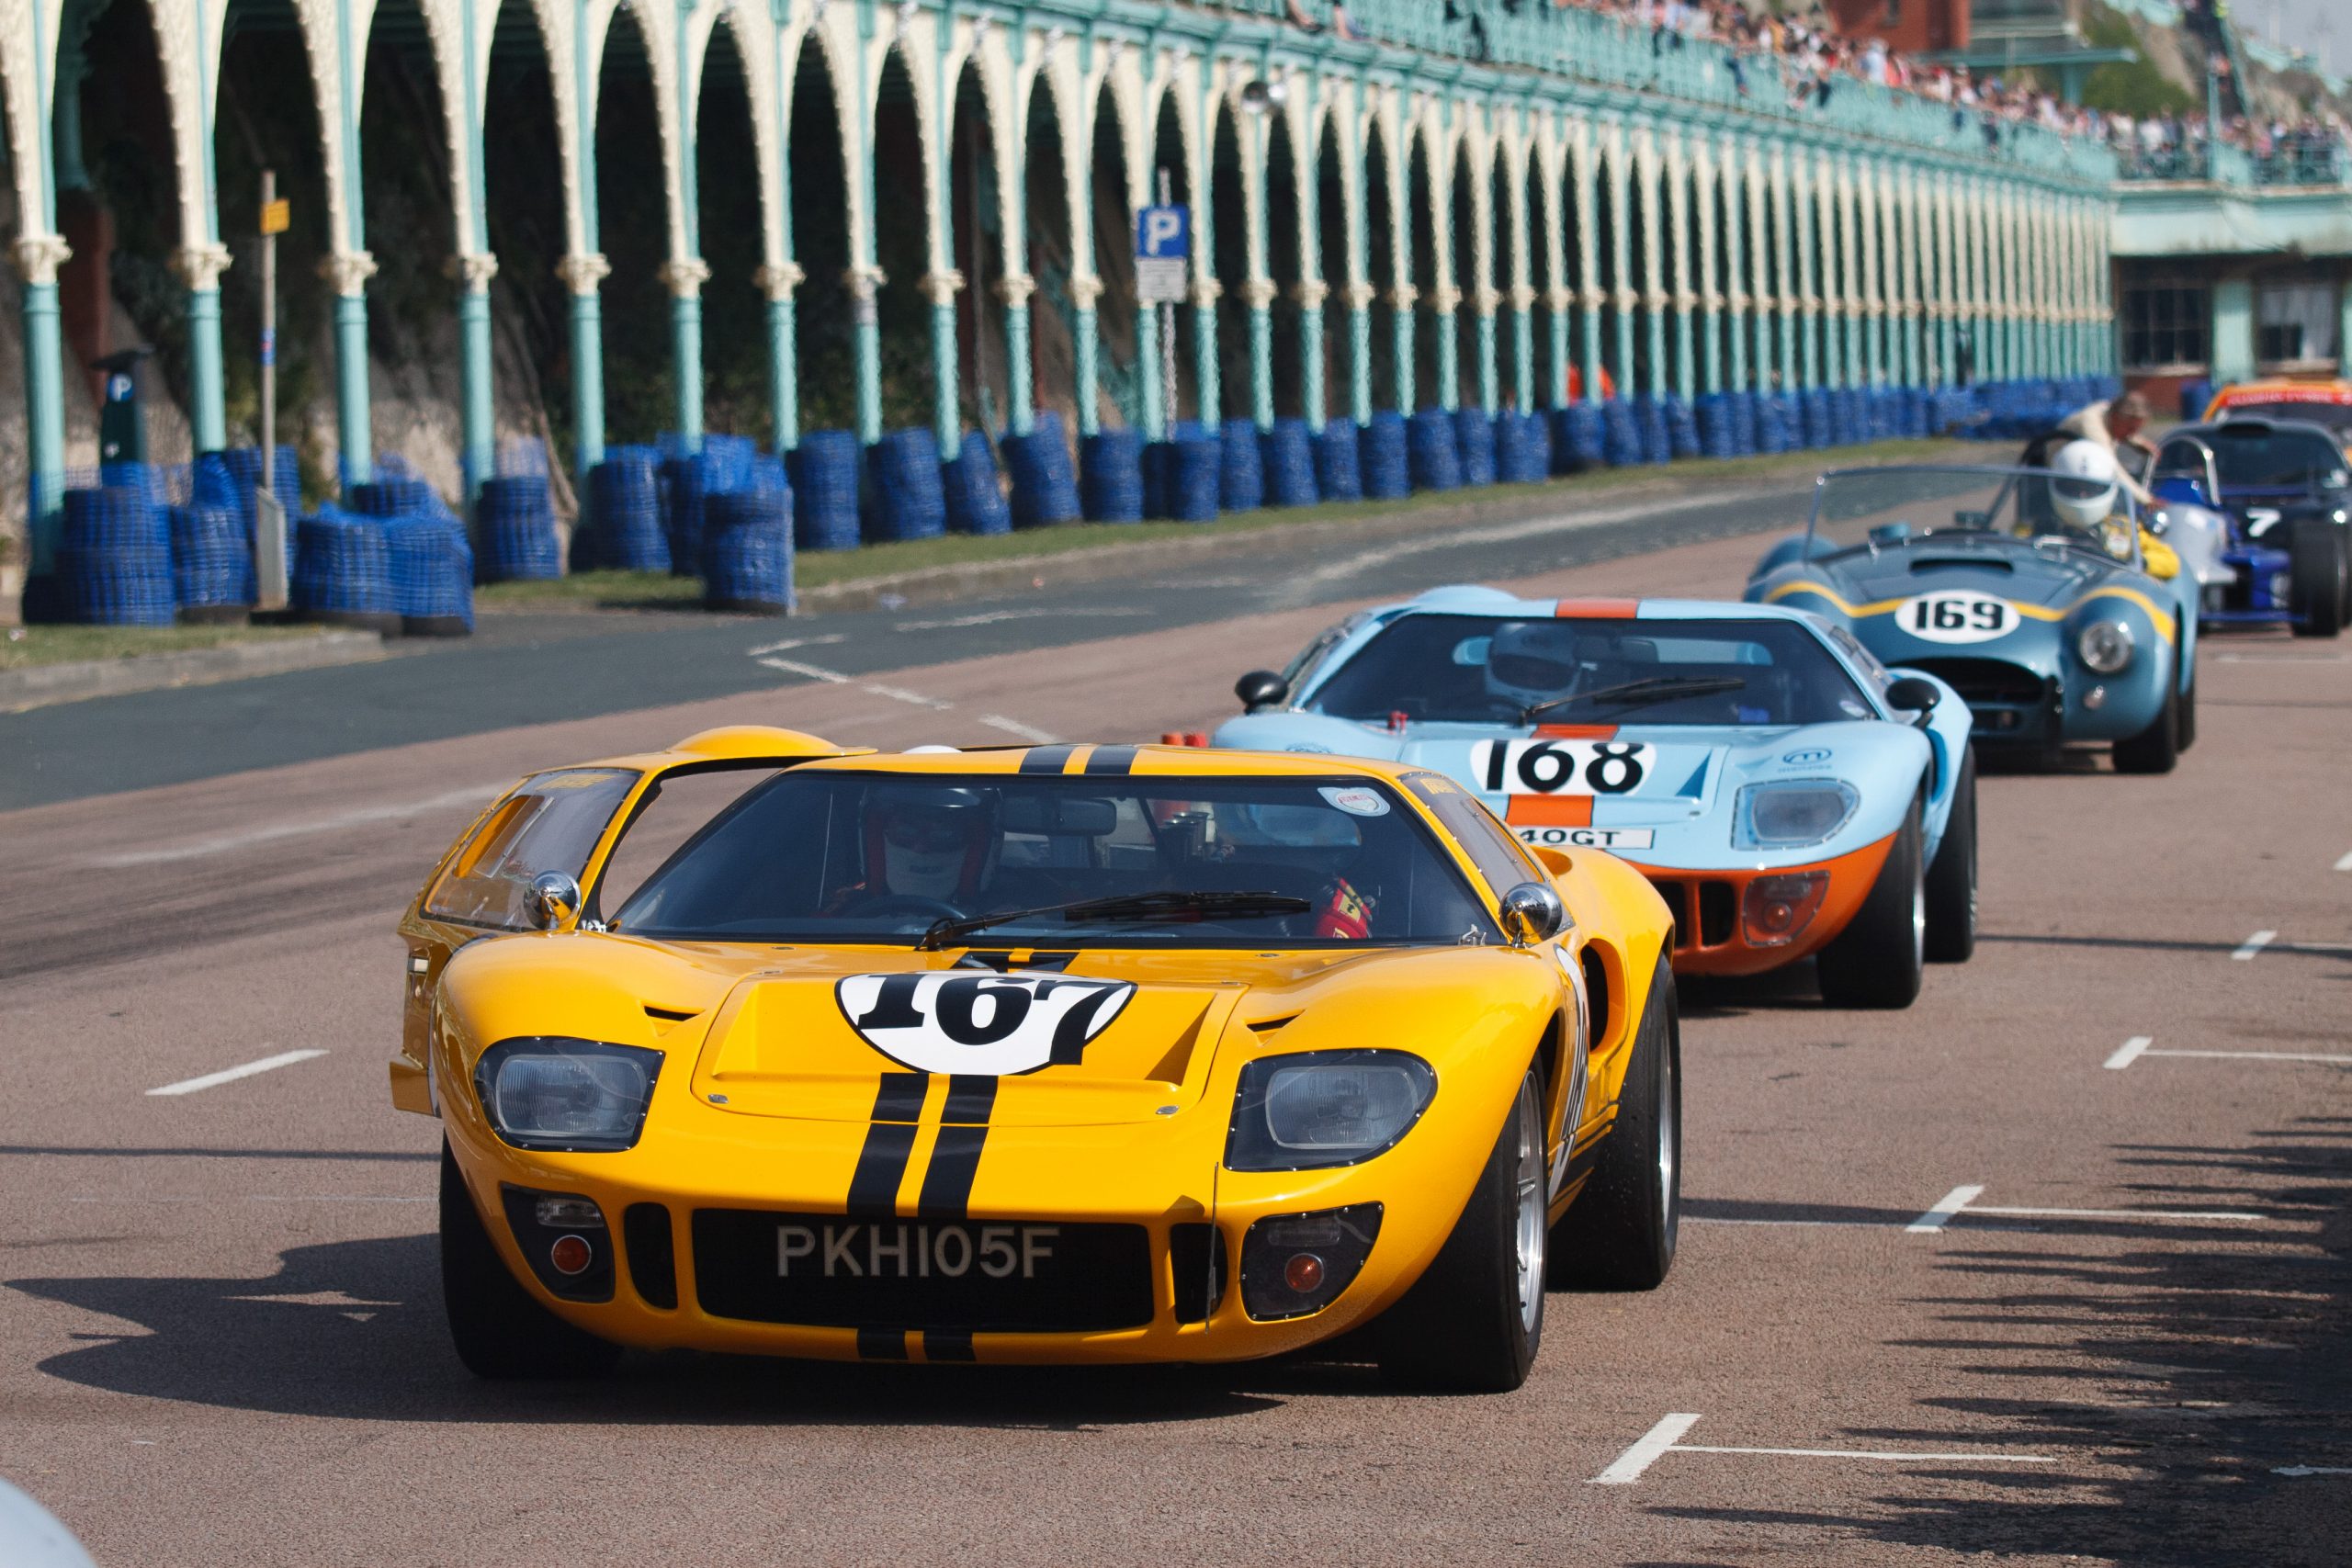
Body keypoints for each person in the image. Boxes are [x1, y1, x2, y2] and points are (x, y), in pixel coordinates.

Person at [2052, 391, 2159, 506]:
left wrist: (2140, 442)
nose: (2132, 434)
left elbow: (2123, 430)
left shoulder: (2108, 412)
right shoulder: (2091, 427)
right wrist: (2146, 499)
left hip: (2078, 477)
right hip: (2056, 479)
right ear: (2116, 417)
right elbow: (2112, 468)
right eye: (2131, 429)